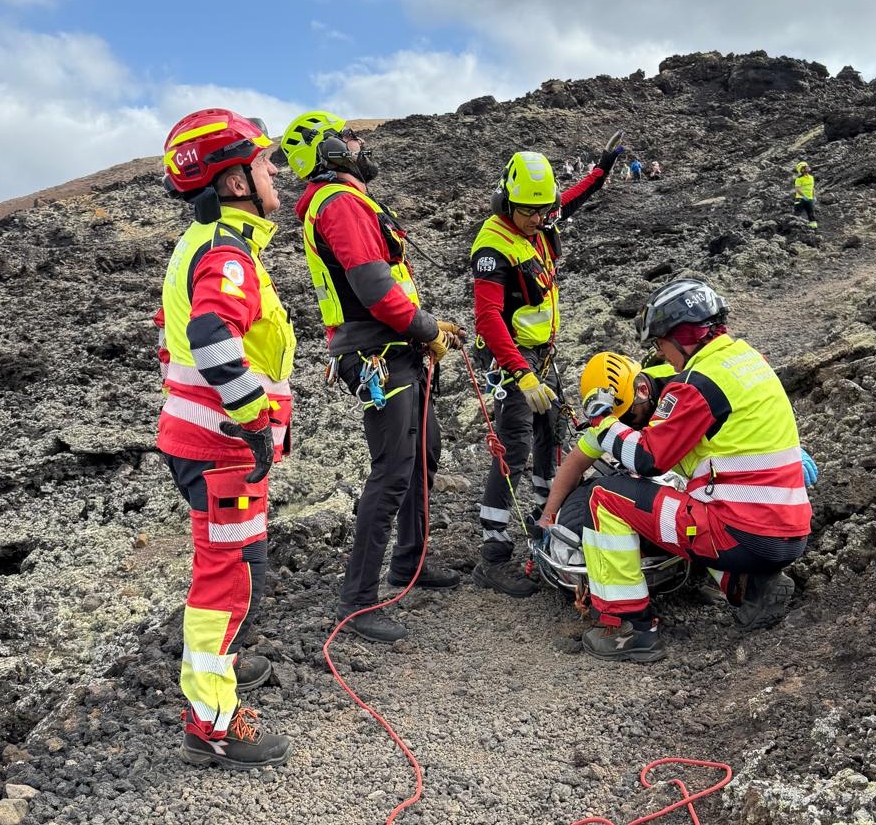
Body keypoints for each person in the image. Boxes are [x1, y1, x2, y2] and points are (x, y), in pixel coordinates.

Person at [539, 278, 813, 662]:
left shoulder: (695, 385)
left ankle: (629, 627)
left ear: (681, 335)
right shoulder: (747, 359)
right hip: (789, 529)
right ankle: (752, 588)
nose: (661, 354)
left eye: (660, 343)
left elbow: (650, 459)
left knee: (608, 497)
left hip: (741, 534)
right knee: (693, 492)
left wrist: (604, 425)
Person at [280, 111, 463, 643]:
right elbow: (375, 289)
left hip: (396, 348)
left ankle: (410, 562)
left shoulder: (348, 202)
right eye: (351, 138)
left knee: (422, 456)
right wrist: (428, 329)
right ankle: (357, 602)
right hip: (380, 353)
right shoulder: (339, 204)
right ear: (331, 149)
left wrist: (423, 332)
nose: (362, 144)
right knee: (392, 473)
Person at [156, 109, 295, 768]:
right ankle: (211, 720)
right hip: (222, 451)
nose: (273, 172)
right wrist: (253, 419)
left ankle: (222, 672)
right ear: (234, 180)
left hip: (206, 444)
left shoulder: (206, 244)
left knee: (232, 573)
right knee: (229, 582)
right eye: (263, 162)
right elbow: (213, 338)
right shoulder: (226, 254)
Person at [468, 131, 625, 597]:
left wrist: (600, 172)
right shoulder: (492, 246)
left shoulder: (538, 218)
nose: (539, 219)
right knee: (513, 448)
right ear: (506, 201)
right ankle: (493, 554)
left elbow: (567, 203)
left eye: (543, 210)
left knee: (549, 437)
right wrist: (521, 373)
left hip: (544, 352)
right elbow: (488, 317)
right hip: (513, 355)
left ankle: (545, 523)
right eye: (530, 211)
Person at [793, 161, 818, 228]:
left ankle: (813, 225)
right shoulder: (799, 179)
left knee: (811, 212)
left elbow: (812, 188)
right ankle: (795, 226)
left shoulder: (811, 177)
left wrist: (814, 196)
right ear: (802, 170)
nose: (808, 167)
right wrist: (804, 196)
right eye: (806, 167)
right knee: (797, 213)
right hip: (800, 199)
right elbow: (798, 189)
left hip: (809, 198)